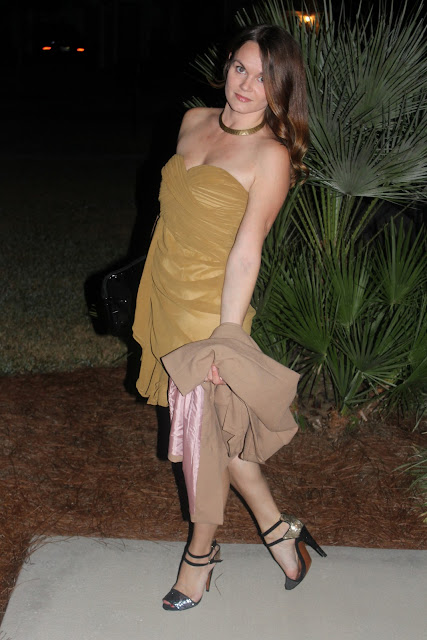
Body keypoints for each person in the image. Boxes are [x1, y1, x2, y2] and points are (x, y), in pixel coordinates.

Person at [132, 24, 326, 612]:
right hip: (165, 296)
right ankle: (282, 535)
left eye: (263, 77)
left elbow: (247, 251)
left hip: (211, 312)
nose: (246, 84)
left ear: (280, 89)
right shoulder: (193, 120)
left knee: (203, 445)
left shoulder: (271, 156)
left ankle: (200, 558)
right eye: (240, 67)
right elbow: (171, 214)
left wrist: (228, 337)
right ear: (226, 67)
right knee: (222, 438)